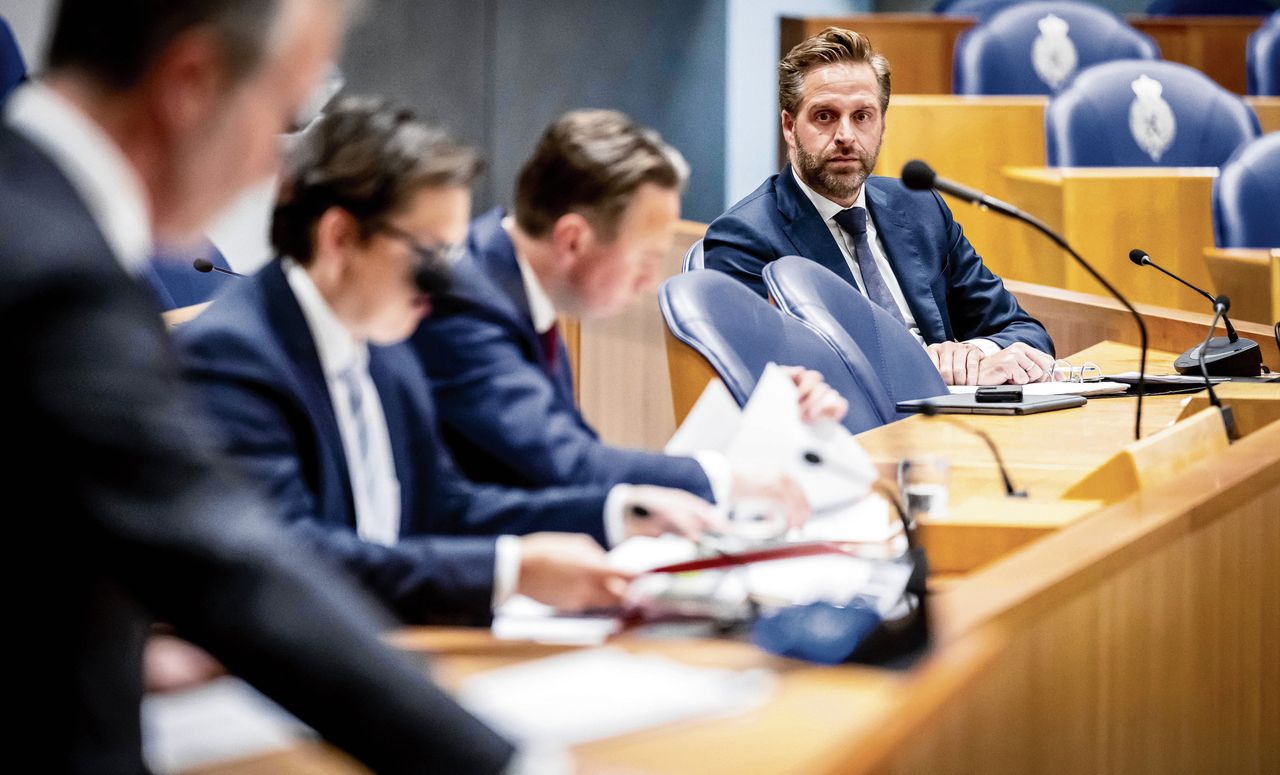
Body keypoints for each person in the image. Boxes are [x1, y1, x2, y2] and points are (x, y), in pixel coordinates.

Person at [2, 1, 519, 771]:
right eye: (284, 111)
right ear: (191, 82)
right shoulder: (59, 278)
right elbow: (225, 565)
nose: (273, 171)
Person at [177, 97, 721, 623]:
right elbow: (295, 560)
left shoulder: (384, 344)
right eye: (430, 254)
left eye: (452, 253)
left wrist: (620, 513)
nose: (447, 280)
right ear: (340, 238)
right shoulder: (233, 356)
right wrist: (508, 570)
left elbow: (443, 504)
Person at [413, 109, 847, 512]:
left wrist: (766, 409)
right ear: (572, 241)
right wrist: (725, 479)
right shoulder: (463, 304)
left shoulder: (513, 282)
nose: (647, 282)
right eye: (643, 259)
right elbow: (565, 466)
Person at [703, 27, 1056, 387]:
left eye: (862, 116)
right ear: (790, 126)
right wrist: (928, 367)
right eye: (825, 116)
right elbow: (763, 376)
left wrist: (975, 354)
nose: (845, 136)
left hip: (956, 420)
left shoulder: (921, 207)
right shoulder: (745, 237)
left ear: (883, 126)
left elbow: (1023, 331)